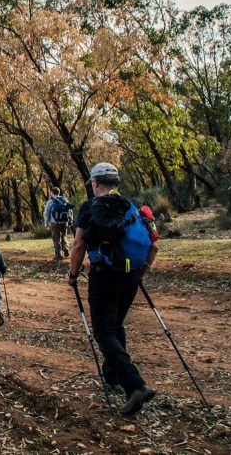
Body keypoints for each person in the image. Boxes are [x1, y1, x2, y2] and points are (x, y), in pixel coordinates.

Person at [67, 162, 159, 416]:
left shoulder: (90, 208)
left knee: (104, 332)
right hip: (131, 276)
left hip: (104, 275)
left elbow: (78, 246)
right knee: (116, 325)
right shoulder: (132, 207)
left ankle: (135, 385)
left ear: (95, 183)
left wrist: (73, 275)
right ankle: (113, 376)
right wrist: (141, 271)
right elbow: (154, 246)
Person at [44, 188, 74, 261]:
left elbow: (46, 213)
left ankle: (58, 256)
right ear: (59, 192)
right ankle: (66, 248)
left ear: (51, 193)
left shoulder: (50, 201)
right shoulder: (64, 200)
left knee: (56, 239)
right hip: (64, 222)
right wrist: (70, 220)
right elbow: (70, 211)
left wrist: (46, 223)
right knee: (64, 236)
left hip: (54, 223)